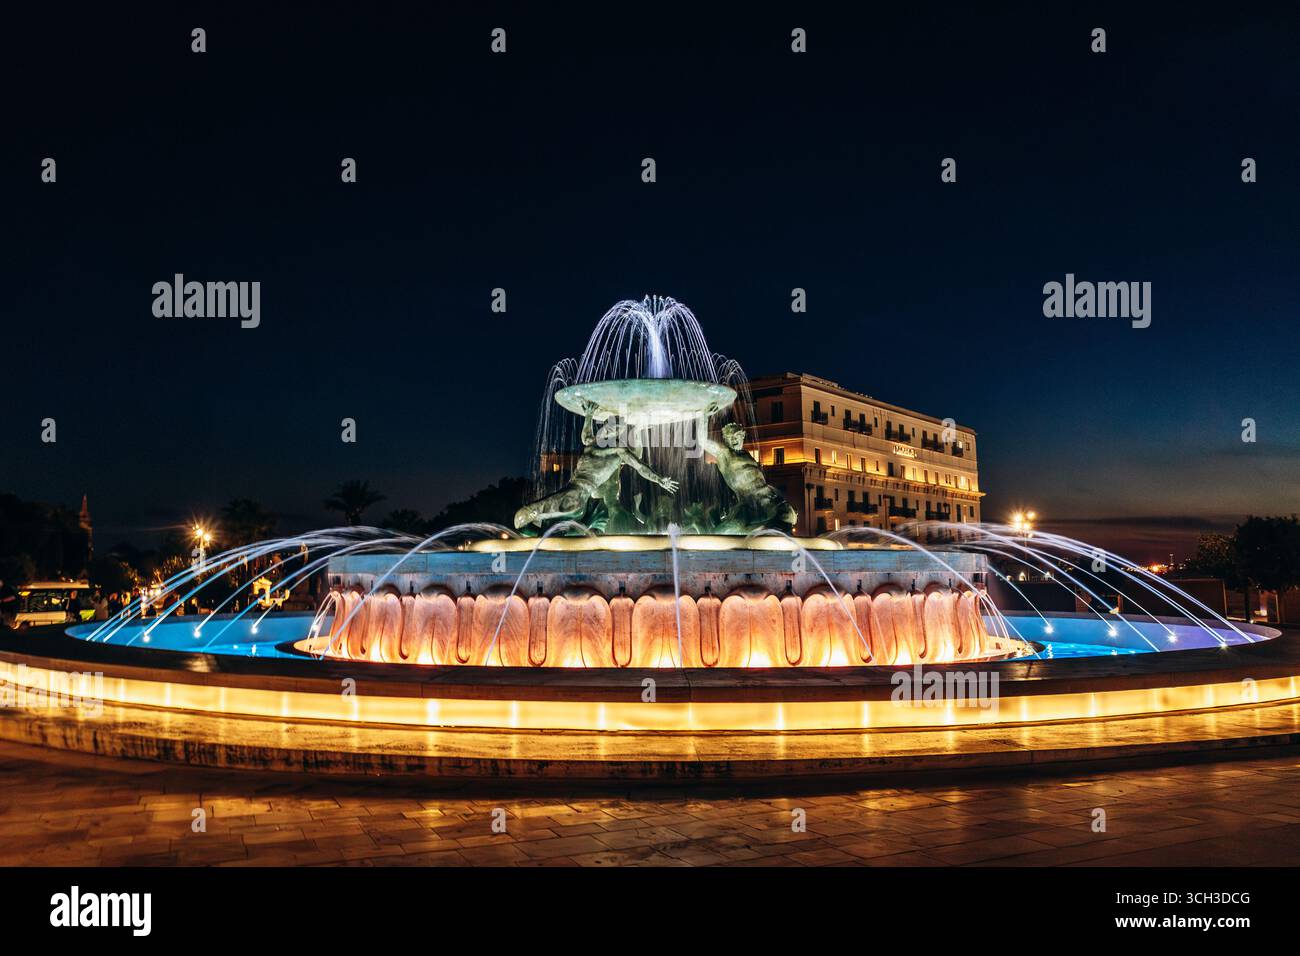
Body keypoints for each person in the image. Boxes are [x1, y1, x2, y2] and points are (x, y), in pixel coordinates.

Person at [515, 400, 679, 529]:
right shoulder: (592, 442)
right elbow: (586, 433)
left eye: (612, 429)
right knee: (532, 515)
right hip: (575, 489)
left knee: (535, 513)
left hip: (581, 493)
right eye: (606, 427)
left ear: (617, 433)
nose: (606, 430)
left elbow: (639, 465)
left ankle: (535, 520)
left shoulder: (618, 452)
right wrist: (588, 414)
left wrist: (659, 479)